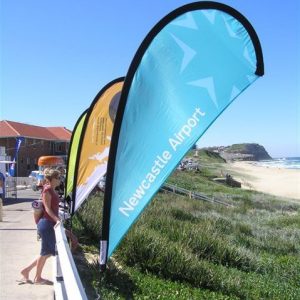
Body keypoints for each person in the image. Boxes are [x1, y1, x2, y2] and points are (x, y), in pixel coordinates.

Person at [20, 168, 62, 284]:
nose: (59, 180)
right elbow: (47, 208)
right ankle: (37, 278)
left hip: (49, 224)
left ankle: (27, 271)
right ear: (50, 179)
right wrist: (56, 219)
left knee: (46, 252)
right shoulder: (47, 190)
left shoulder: (52, 190)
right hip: (46, 224)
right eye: (57, 178)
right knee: (46, 252)